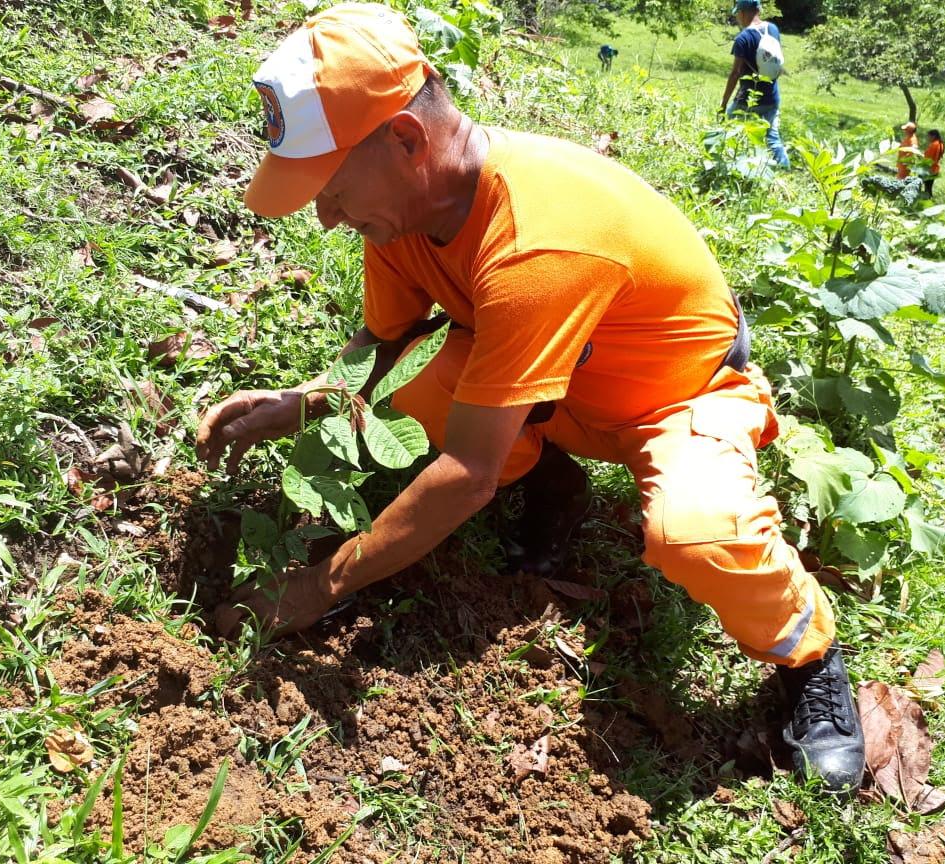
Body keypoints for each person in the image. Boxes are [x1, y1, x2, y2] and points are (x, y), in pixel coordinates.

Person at [196, 3, 865, 794]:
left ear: (406, 140)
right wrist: (300, 401)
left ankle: (810, 658)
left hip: (675, 398)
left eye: (332, 188)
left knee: (696, 535)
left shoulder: (536, 239)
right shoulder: (403, 215)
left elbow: (467, 471)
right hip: (555, 381)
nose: (325, 215)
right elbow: (382, 348)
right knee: (414, 387)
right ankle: (553, 479)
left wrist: (320, 586)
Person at [720, 0, 790, 169]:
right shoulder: (773, 29)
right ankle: (784, 170)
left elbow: (735, 73)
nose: (738, 18)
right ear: (758, 9)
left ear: (743, 13)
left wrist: (723, 104)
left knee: (726, 129)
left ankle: (726, 166)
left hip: (747, 99)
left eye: (738, 14)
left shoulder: (742, 39)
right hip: (772, 97)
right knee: (772, 137)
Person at [923, 129, 945, 198]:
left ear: (933, 136)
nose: (928, 138)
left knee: (927, 189)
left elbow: (929, 158)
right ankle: (928, 199)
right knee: (929, 187)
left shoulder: (934, 145)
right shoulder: (941, 144)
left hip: (930, 169)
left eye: (929, 136)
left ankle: (928, 200)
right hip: (935, 169)